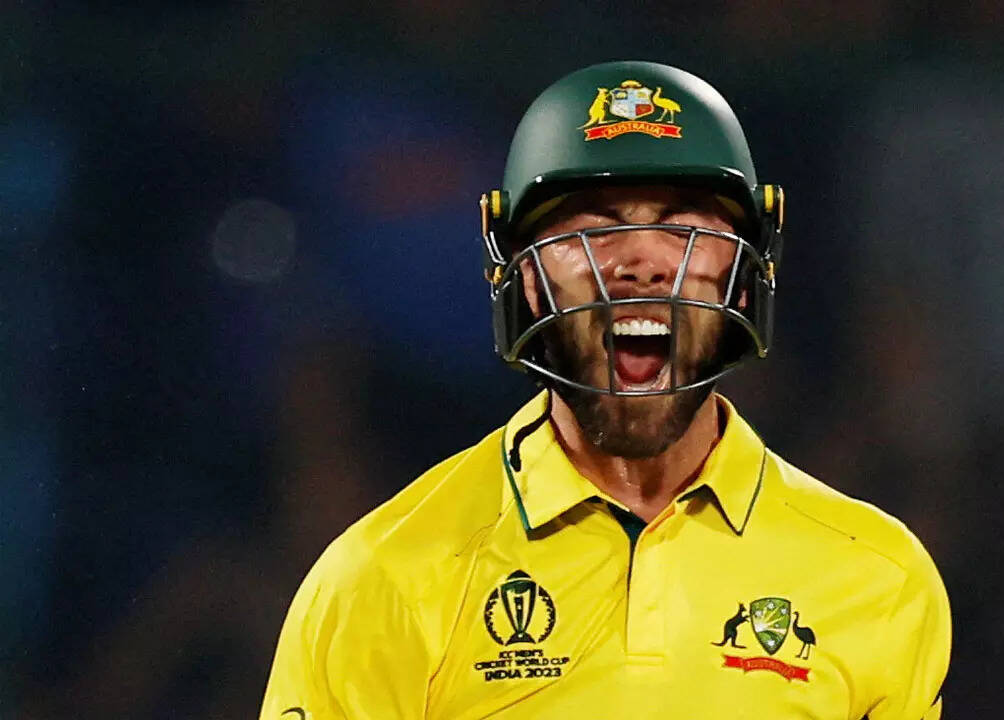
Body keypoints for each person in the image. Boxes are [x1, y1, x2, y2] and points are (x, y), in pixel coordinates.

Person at [260, 60, 950, 720]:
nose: (642, 262)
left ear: (743, 277)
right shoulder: (382, 578)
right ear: (528, 279)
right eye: (595, 226)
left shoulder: (878, 578)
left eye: (682, 225)